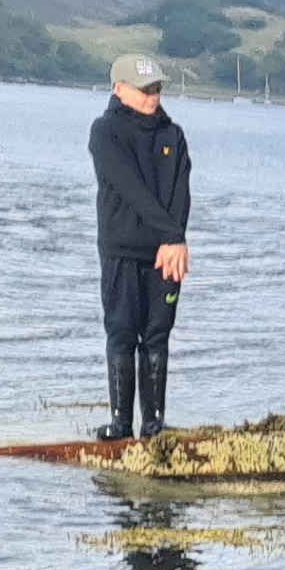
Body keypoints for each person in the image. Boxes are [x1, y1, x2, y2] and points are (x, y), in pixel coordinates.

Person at [88, 52, 191, 441]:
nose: (153, 96)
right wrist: (172, 234)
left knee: (157, 334)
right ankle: (120, 424)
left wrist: (174, 238)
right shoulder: (105, 132)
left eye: (158, 88)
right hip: (122, 248)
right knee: (121, 332)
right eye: (145, 89)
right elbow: (129, 187)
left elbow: (181, 192)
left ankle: (154, 424)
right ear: (119, 89)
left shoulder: (172, 135)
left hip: (165, 253)